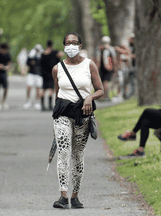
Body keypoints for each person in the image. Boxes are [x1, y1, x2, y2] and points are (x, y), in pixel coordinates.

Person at [51, 32, 104, 209]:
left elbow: (100, 90)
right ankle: (63, 195)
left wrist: (90, 97)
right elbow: (57, 94)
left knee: (77, 155)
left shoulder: (90, 65)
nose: (71, 46)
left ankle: (75, 195)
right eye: (68, 43)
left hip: (83, 114)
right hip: (63, 114)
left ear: (80, 46)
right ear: (64, 46)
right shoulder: (57, 68)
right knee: (64, 152)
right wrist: (55, 123)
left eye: (75, 43)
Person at [40, 40, 63, 111]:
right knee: (51, 89)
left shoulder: (43, 53)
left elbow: (40, 63)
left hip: (44, 74)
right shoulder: (54, 53)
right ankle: (50, 105)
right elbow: (61, 54)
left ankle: (43, 106)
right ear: (52, 45)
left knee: (43, 89)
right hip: (51, 73)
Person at [95, 36, 117, 101]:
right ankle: (105, 96)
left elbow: (97, 60)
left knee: (103, 82)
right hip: (108, 67)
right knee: (105, 82)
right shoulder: (110, 49)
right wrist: (115, 67)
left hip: (103, 67)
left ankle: (103, 96)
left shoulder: (99, 49)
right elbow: (114, 59)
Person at [23, 44, 44, 110]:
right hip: (31, 73)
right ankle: (28, 101)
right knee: (29, 87)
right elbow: (27, 63)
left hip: (39, 74)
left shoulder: (42, 56)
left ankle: (37, 102)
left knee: (38, 88)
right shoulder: (31, 55)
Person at [0, 43, 11, 110]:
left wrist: (7, 67)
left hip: (4, 73)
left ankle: (4, 101)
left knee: (6, 88)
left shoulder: (7, 55)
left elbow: (9, 62)